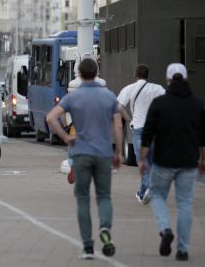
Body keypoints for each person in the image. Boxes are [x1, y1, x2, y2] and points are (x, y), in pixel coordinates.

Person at [46, 58, 123, 259]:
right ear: (96, 72)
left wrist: (65, 137)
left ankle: (88, 247)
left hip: (80, 152)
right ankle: (105, 228)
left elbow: (50, 117)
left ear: (79, 74)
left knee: (82, 198)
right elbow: (118, 126)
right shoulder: (108, 96)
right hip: (104, 154)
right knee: (104, 196)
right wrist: (119, 152)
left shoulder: (74, 97)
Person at [139, 63, 205, 261]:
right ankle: (183, 249)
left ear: (168, 80)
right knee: (185, 203)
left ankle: (165, 229)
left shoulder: (160, 103)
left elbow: (148, 134)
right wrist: (203, 159)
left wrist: (143, 159)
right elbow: (204, 137)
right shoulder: (198, 103)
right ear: (186, 78)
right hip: (188, 161)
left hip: (163, 161)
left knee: (158, 195)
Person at [117, 64, 165, 204]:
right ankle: (142, 193)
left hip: (138, 128)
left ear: (135, 75)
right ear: (147, 75)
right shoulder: (156, 88)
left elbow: (118, 106)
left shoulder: (129, 89)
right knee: (150, 161)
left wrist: (127, 118)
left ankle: (150, 186)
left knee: (142, 161)